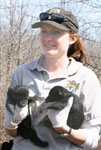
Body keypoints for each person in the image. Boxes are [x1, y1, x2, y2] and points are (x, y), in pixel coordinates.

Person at [3, 7, 101, 150]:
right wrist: (10, 123)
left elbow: (92, 141)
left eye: (56, 32)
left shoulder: (85, 77)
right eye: (44, 31)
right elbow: (12, 133)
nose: (48, 38)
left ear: (72, 38)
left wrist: (63, 128)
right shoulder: (22, 72)